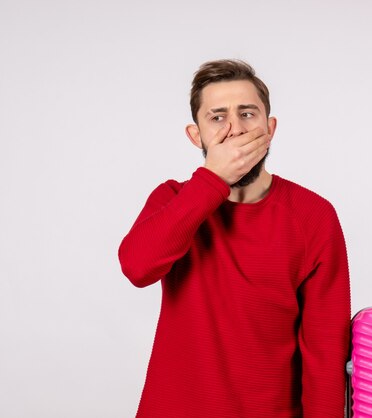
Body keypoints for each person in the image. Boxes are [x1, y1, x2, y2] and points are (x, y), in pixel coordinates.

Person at [118, 59, 350, 418]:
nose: (235, 130)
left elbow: (325, 355)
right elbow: (136, 266)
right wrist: (212, 179)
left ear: (269, 128)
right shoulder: (173, 200)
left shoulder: (312, 216)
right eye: (217, 118)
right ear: (196, 135)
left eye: (247, 114)